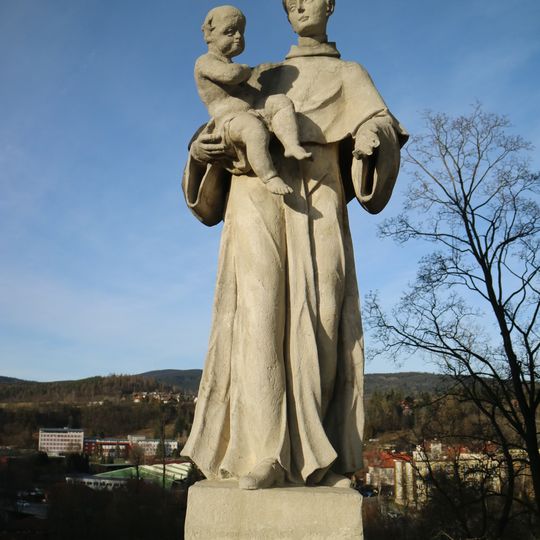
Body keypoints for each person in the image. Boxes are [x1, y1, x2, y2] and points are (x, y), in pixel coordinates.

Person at [182, 0, 408, 490]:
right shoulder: (262, 74)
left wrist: (372, 132)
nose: (302, 6)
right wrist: (200, 150)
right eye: (292, 2)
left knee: (325, 319)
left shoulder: (350, 74)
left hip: (322, 198)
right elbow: (223, 126)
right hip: (255, 198)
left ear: (330, 5)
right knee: (258, 316)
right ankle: (264, 455)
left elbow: (382, 131)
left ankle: (317, 458)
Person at [196, 5, 311, 196]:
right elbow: (229, 75)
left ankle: (290, 144)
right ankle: (269, 176)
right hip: (229, 122)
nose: (238, 36)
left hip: (250, 112)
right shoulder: (205, 62)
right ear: (209, 34)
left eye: (241, 32)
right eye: (230, 32)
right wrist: (244, 71)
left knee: (280, 101)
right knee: (254, 130)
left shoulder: (235, 67)